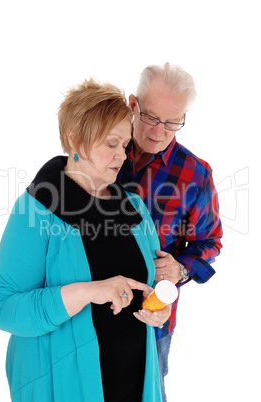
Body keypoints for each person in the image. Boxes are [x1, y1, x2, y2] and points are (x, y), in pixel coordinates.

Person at [0, 78, 170, 402]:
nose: (122, 156)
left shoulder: (135, 208)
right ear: (74, 138)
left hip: (136, 386)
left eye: (125, 145)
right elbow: (3, 307)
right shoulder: (38, 209)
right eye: (110, 144)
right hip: (61, 388)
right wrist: (89, 291)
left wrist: (157, 309)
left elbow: (146, 286)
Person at [118, 63, 223, 401]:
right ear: (133, 104)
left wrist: (179, 268)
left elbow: (209, 242)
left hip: (154, 319)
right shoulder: (103, 151)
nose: (158, 132)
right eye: (150, 117)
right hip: (91, 304)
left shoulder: (196, 174)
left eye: (172, 122)